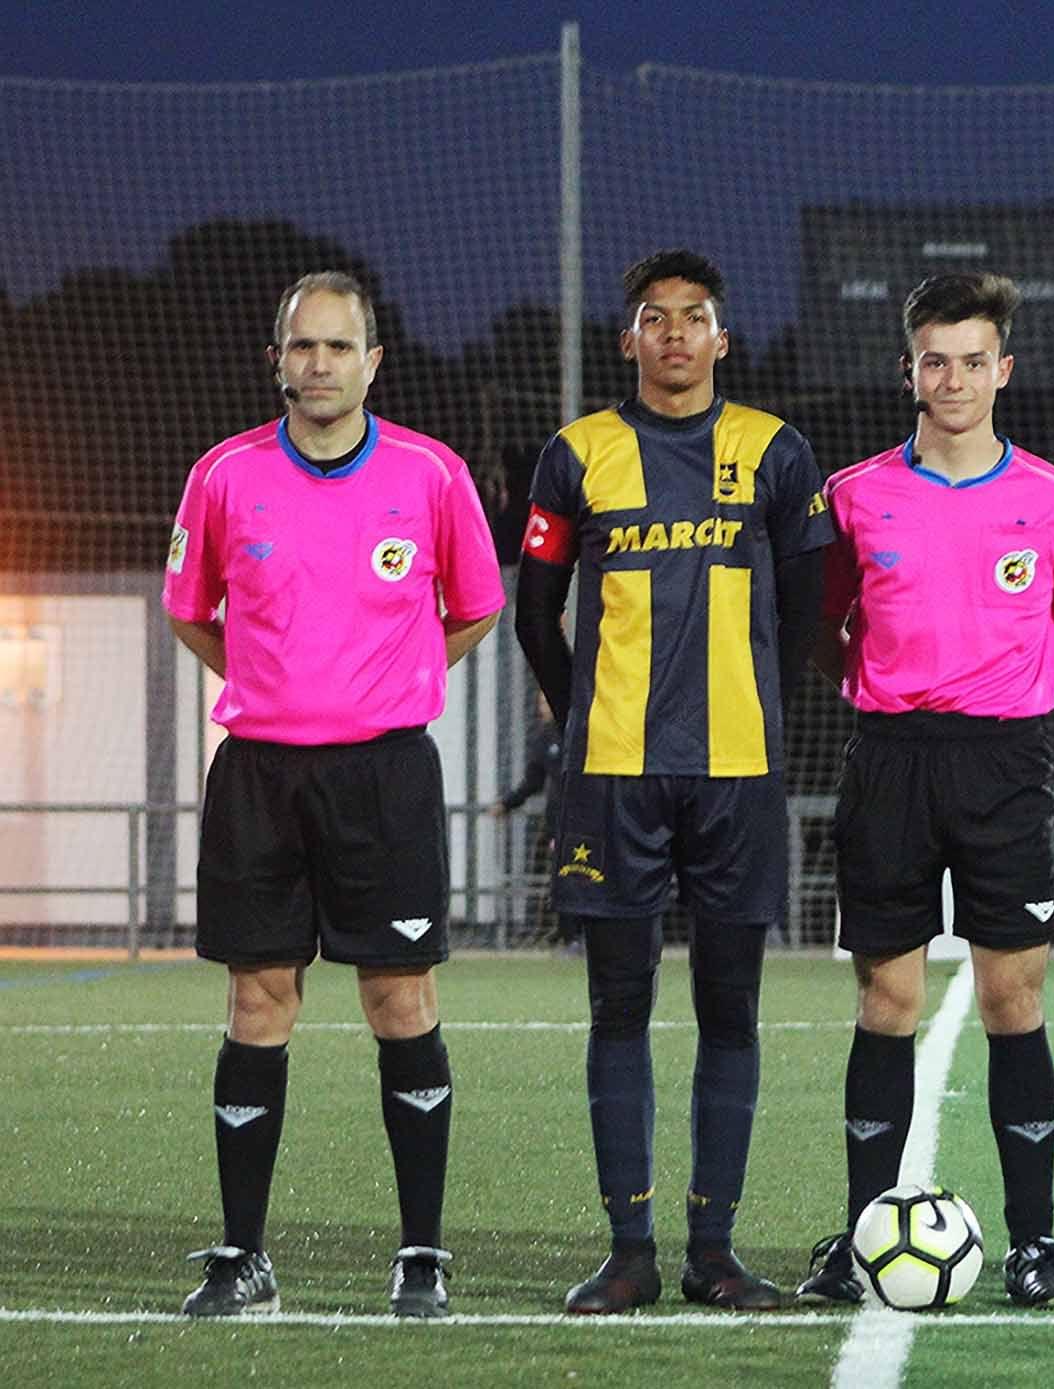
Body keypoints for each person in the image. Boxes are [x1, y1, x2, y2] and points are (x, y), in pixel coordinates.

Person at [164, 271, 505, 1318]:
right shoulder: (223, 476)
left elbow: (477, 609)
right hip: (261, 775)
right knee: (258, 1001)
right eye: (300, 348)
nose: (318, 364)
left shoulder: (431, 474)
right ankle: (243, 1256)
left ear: (373, 361)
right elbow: (189, 611)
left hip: (385, 775)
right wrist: (276, 685)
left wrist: (387, 683)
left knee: (399, 1000)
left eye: (337, 347)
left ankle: (421, 1256)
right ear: (277, 360)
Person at [514, 248, 832, 1313]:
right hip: (614, 776)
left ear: (722, 338)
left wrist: (758, 699)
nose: (677, 336)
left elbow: (811, 606)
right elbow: (533, 612)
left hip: (737, 774)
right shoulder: (577, 455)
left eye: (695, 318)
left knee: (730, 1012)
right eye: (656, 319)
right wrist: (585, 710)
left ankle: (716, 1253)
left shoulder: (776, 453)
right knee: (619, 1009)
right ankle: (629, 1251)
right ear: (629, 339)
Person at [795, 272, 1054, 1310]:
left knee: (1014, 999)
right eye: (937, 359)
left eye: (975, 359)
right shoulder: (853, 495)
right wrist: (898, 700)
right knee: (888, 1000)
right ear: (909, 371)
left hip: (1003, 766)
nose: (956, 377)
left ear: (1004, 369)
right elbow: (830, 628)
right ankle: (857, 1236)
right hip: (888, 760)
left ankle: (1036, 1245)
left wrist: (1005, 701)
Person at [488, 692, 569, 946]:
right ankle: (553, 930)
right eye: (540, 702)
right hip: (556, 821)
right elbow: (533, 781)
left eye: (547, 701)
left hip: (581, 819)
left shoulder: (578, 732)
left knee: (578, 876)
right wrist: (507, 803)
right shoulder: (544, 738)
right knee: (554, 875)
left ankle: (578, 934)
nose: (542, 707)